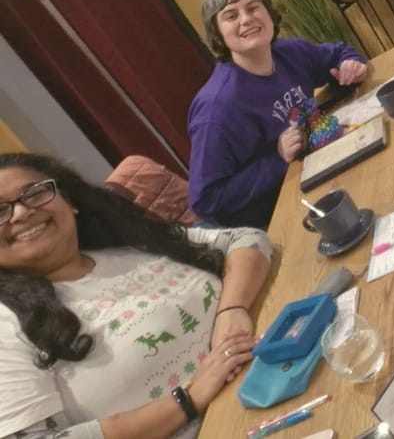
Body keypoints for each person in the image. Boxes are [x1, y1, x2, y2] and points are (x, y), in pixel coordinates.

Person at [0, 152, 272, 439]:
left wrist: (232, 309)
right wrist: (187, 400)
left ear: (69, 200)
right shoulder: (7, 325)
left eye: (33, 193)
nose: (21, 213)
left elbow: (245, 239)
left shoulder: (127, 242)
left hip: (277, 378)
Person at [188, 0, 368, 228]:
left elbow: (339, 53)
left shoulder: (289, 51)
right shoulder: (217, 107)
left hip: (316, 168)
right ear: (217, 34)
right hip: (271, 217)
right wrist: (277, 158)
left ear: (269, 14)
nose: (246, 19)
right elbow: (205, 201)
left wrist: (350, 64)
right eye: (231, 16)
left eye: (253, 8)